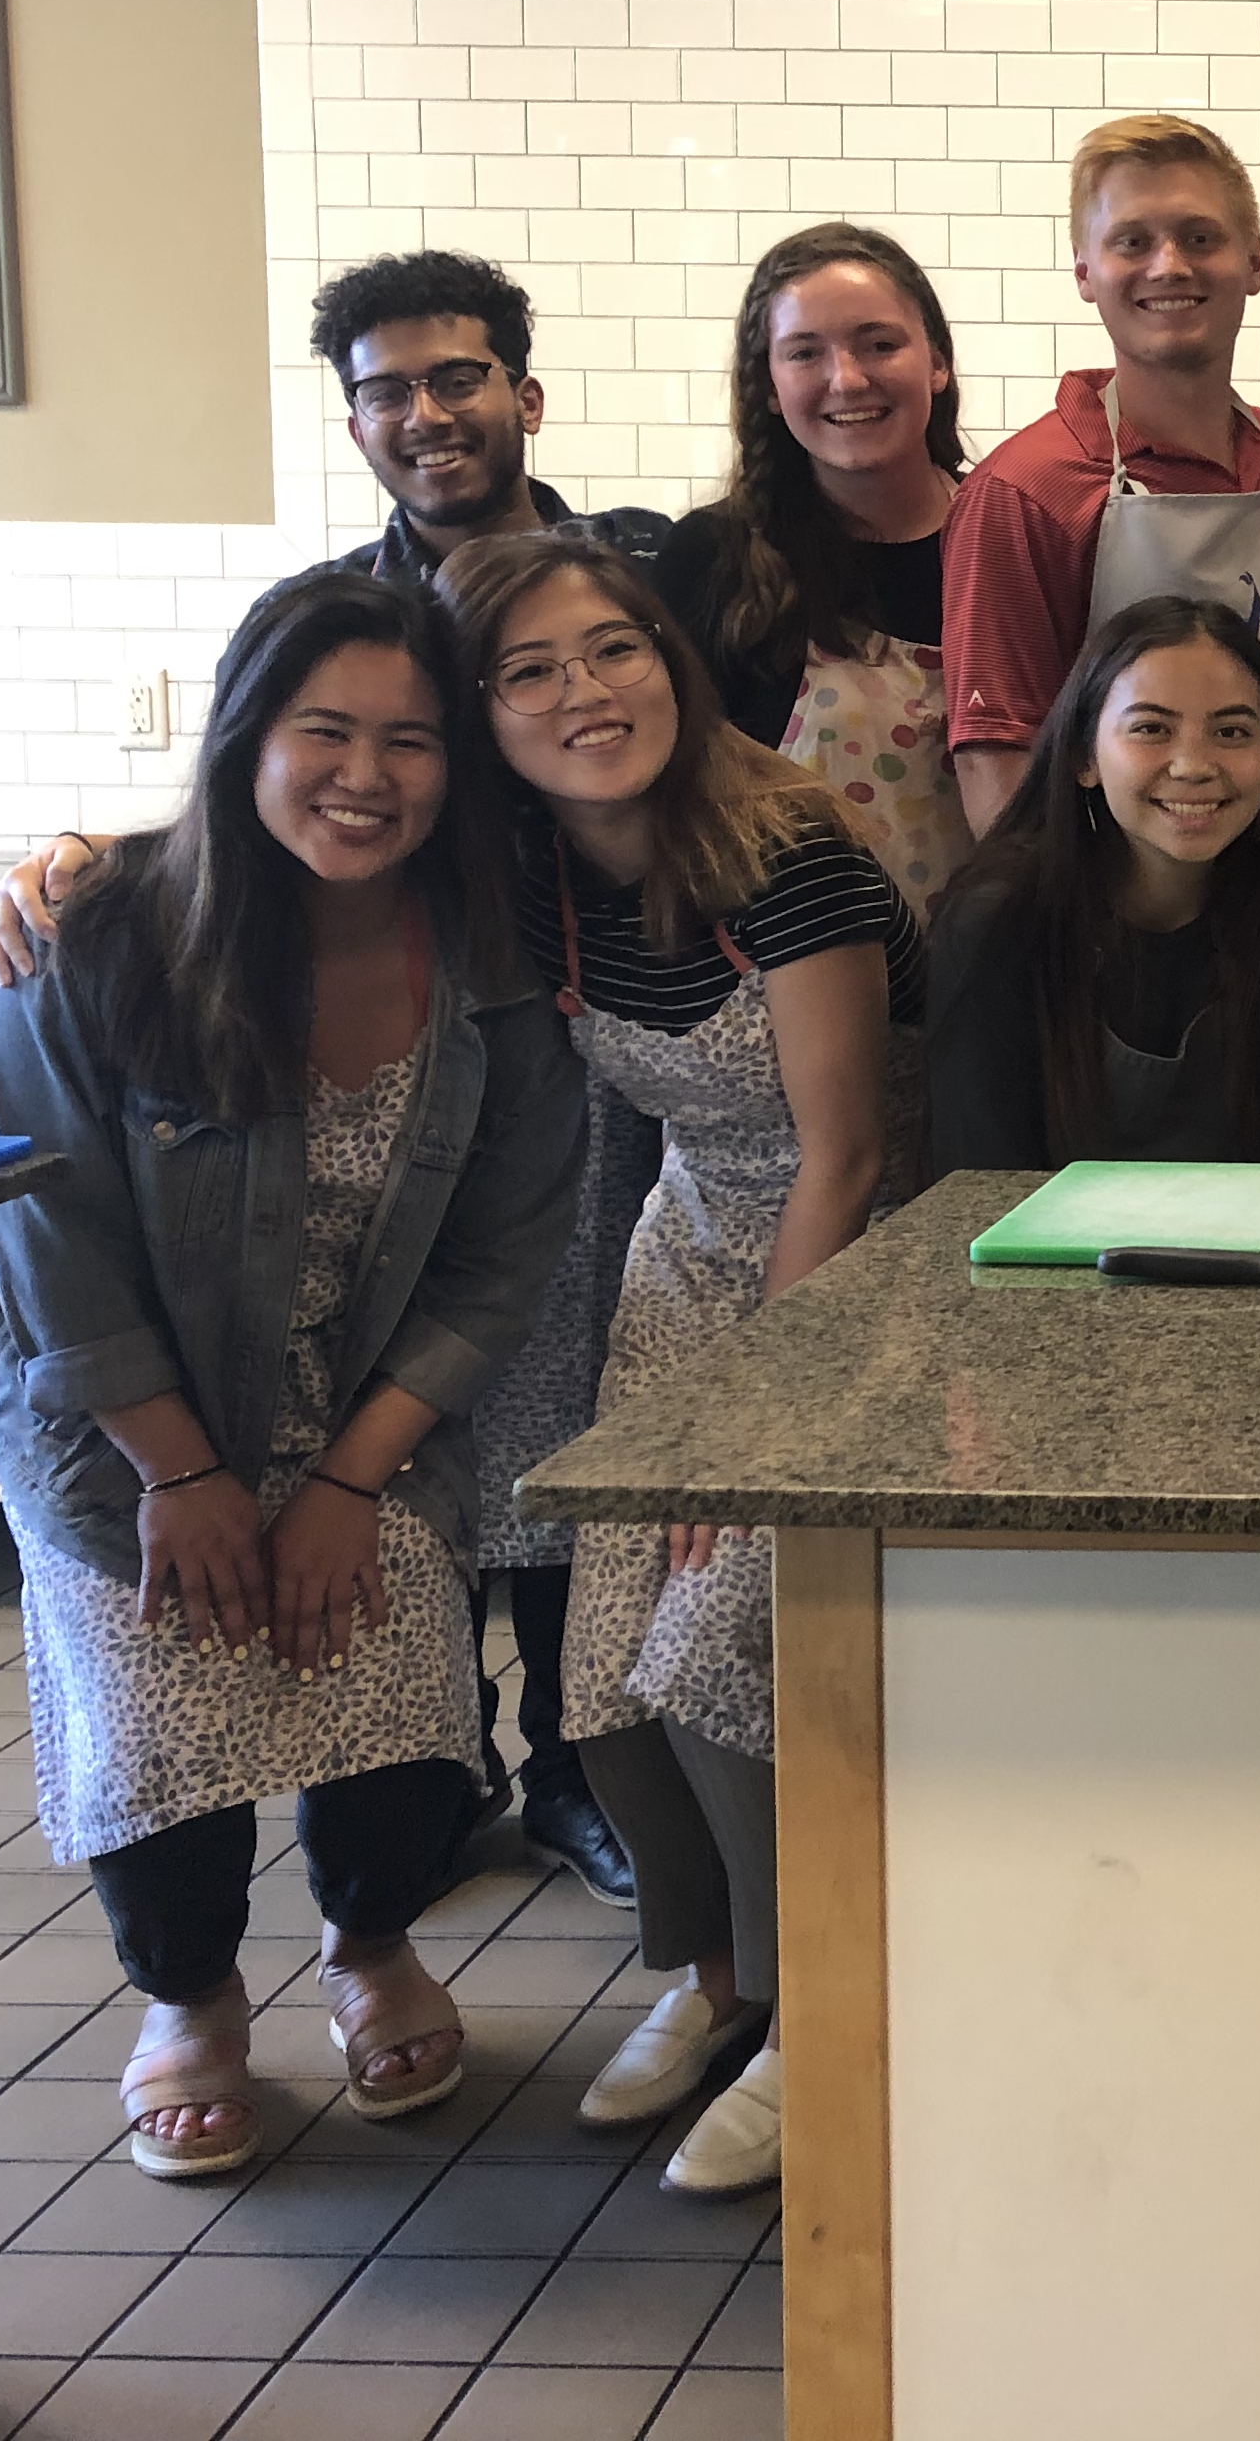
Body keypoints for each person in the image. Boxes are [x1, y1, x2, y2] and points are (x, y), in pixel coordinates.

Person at [0, 569, 584, 2180]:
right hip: (123, 1436)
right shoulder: (94, 937)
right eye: (325, 733)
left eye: (412, 741)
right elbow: (51, 1236)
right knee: (165, 1726)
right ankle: (188, 2001)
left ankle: (370, 1945)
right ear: (247, 737)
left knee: (395, 1708)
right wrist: (184, 1475)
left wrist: (345, 1482)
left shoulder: (496, 972)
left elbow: (500, 1255)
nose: (366, 778)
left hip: (374, 1421)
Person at [441, 529, 925, 2199]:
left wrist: (756, 1428)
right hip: (680, 1257)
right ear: (481, 713)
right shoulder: (521, 865)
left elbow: (847, 1155)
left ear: (671, 657)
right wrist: (78, 854)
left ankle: (811, 2011)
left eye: (613, 648)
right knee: (602, 1651)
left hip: (854, 1274)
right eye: (532, 669)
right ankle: (701, 1972)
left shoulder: (789, 846)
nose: (585, 691)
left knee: (722, 1651)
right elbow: (281, 824)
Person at [942, 117, 1260, 854]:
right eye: (1132, 241)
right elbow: (999, 774)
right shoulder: (1024, 492)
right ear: (1084, 272)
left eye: (1201, 237)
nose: (1170, 266)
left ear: (1254, 263)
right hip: (1130, 942)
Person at [928, 595, 1260, 1166]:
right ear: (1084, 757)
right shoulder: (997, 924)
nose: (1192, 765)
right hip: (1036, 1253)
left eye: (1232, 733)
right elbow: (976, 1190)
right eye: (1152, 728)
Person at [654, 221, 973, 916]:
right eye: (805, 353)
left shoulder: (1009, 536)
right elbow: (673, 809)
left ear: (937, 364)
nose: (847, 379)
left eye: (880, 344)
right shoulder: (712, 561)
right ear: (768, 385)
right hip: (793, 986)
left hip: (992, 985)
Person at [314, 249, 671, 587]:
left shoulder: (650, 557)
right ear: (359, 434)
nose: (424, 417)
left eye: (458, 383)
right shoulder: (319, 622)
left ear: (528, 404)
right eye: (386, 395)